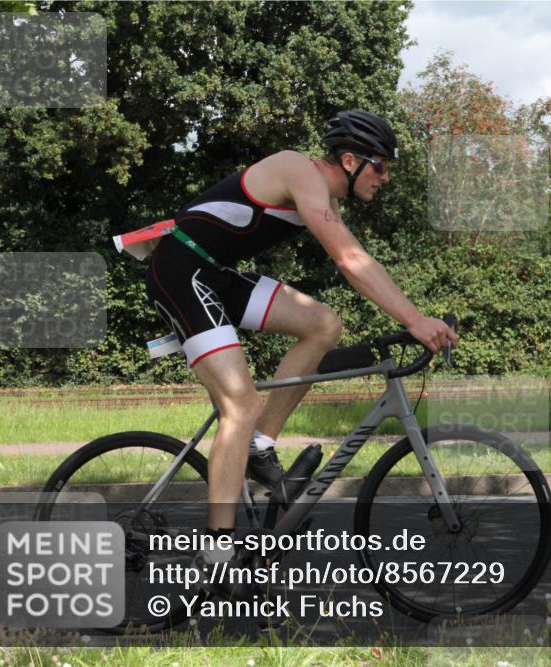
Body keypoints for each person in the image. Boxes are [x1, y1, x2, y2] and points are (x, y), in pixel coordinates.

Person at [144, 110, 458, 564]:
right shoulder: (299, 169)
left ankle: (260, 445)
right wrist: (415, 320)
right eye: (381, 165)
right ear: (350, 160)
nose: (385, 177)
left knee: (323, 324)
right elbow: (350, 260)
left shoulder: (322, 196)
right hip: (180, 270)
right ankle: (215, 555)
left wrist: (415, 316)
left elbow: (360, 259)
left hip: (216, 275)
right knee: (242, 404)